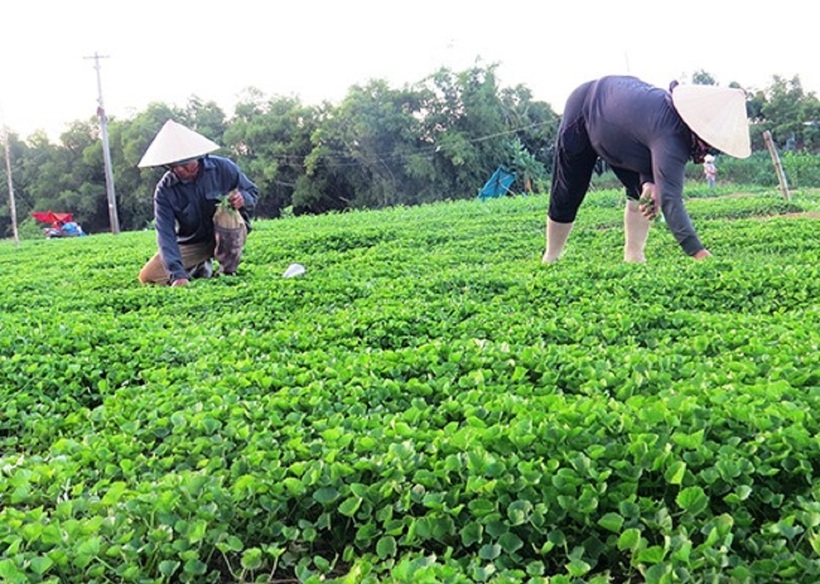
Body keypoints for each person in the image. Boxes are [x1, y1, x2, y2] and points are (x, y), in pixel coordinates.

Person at [542, 75, 750, 263]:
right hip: (586, 109)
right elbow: (670, 199)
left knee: (642, 193)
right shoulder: (672, 134)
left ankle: (634, 256)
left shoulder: (671, 125)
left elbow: (643, 137)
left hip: (621, 129)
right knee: (568, 191)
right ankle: (551, 256)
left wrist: (649, 180)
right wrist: (698, 252)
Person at [137, 120, 259, 286]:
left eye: (186, 164)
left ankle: (228, 271)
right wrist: (176, 274)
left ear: (199, 157)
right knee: (148, 276)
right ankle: (200, 267)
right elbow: (165, 235)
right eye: (174, 166)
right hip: (194, 242)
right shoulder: (164, 190)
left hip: (228, 234)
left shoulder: (223, 168)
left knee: (225, 214)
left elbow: (252, 192)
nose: (181, 170)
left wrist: (243, 198)